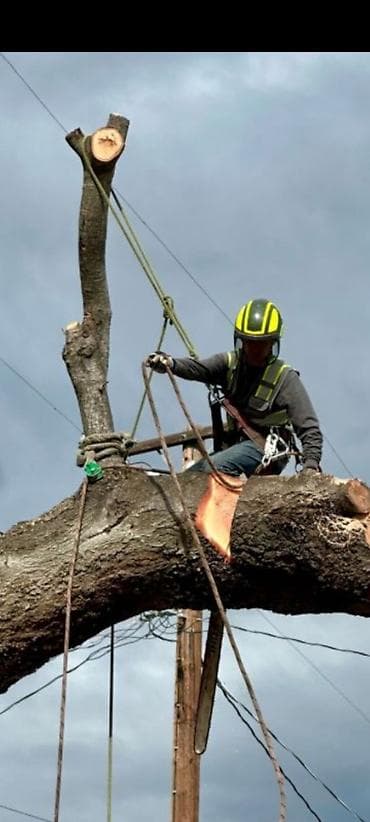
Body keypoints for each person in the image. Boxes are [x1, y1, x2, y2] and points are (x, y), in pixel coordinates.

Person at [146, 298, 323, 480]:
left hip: (266, 448)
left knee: (209, 470)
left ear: (272, 344)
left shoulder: (284, 378)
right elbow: (199, 369)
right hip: (236, 446)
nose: (254, 349)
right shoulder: (230, 364)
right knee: (191, 476)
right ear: (240, 341)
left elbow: (309, 429)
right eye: (249, 343)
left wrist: (310, 467)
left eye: (261, 344)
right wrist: (170, 363)